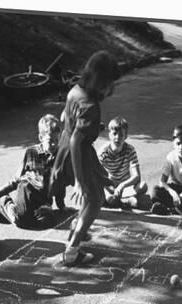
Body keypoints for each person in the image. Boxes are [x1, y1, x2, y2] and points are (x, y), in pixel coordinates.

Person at [49, 50, 120, 266]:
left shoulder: (75, 90)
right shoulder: (90, 106)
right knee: (95, 199)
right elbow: (76, 142)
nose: (112, 89)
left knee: (94, 193)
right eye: (110, 83)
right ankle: (72, 251)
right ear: (101, 81)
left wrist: (83, 127)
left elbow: (64, 116)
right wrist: (78, 181)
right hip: (76, 153)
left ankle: (76, 229)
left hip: (67, 147)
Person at [0, 114, 65, 228]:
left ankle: (1, 213)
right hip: (27, 193)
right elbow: (17, 178)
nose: (54, 144)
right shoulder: (31, 152)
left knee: (47, 222)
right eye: (50, 141)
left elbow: (60, 181)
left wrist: (62, 206)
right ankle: (3, 202)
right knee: (19, 220)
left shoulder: (59, 156)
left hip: (43, 201)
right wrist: (0, 192)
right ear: (41, 138)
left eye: (57, 140)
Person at [98, 116, 150, 210]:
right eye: (114, 134)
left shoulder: (130, 150)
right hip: (110, 186)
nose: (117, 138)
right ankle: (126, 201)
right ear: (109, 135)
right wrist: (109, 188)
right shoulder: (103, 152)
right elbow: (97, 175)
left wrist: (122, 185)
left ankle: (121, 201)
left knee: (143, 186)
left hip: (125, 186)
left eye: (121, 135)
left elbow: (137, 176)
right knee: (108, 197)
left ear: (125, 136)